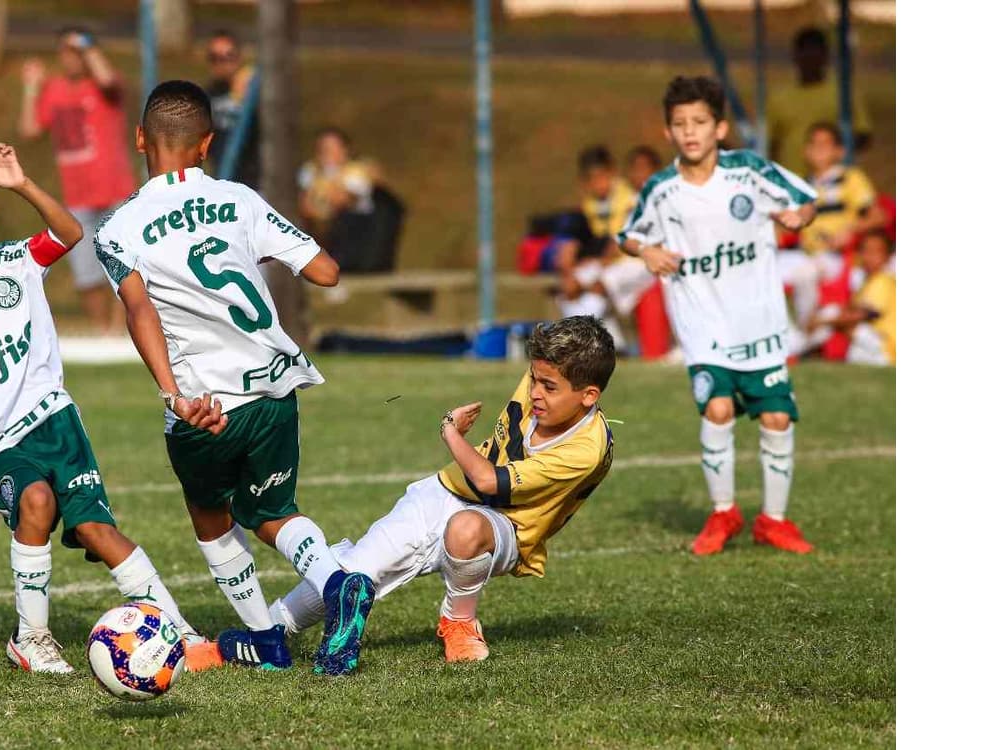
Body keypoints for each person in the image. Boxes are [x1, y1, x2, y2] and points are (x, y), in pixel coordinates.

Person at [92, 81, 376, 676]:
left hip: (205, 404)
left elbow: (139, 311)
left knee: (211, 513)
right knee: (273, 509)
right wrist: (256, 252)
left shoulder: (119, 228)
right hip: (274, 387)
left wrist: (172, 394)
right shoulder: (242, 200)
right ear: (206, 145)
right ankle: (332, 581)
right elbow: (325, 271)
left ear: (141, 138)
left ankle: (266, 639)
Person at [0, 144, 201, 674]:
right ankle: (32, 639)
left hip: (58, 425)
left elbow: (69, 233)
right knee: (35, 501)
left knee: (97, 532)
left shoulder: (17, 262)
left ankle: (177, 631)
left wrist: (23, 185)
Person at [265, 317, 615, 663]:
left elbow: (488, 481)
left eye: (549, 387)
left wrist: (450, 431)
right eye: (534, 379)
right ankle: (268, 630)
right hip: (444, 491)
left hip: (508, 526)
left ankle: (459, 622)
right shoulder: (553, 372)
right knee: (355, 572)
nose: (535, 392)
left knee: (466, 528)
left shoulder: (585, 449)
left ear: (588, 396)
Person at [619, 76, 819, 556]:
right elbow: (628, 233)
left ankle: (773, 521)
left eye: (700, 122)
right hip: (703, 322)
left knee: (776, 418)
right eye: (680, 124)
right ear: (668, 132)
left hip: (760, 320)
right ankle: (724, 512)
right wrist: (646, 251)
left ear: (720, 127)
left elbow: (805, 199)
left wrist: (799, 218)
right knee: (718, 408)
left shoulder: (750, 171)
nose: (690, 132)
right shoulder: (662, 189)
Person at [19, 26, 135, 335]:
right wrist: (31, 87)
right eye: (66, 52)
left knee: (124, 267)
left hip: (115, 191)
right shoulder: (54, 89)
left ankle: (122, 332)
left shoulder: (105, 85)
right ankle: (102, 335)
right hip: (78, 197)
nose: (71, 59)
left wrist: (89, 47)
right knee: (86, 276)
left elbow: (109, 81)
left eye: (77, 52)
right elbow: (29, 129)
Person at [780, 122, 886, 348]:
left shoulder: (850, 178)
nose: (818, 150)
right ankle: (779, 335)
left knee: (805, 274)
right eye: (813, 144)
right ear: (805, 151)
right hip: (804, 253)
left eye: (824, 145)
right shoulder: (801, 184)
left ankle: (805, 332)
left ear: (839, 151)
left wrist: (849, 232)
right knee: (763, 271)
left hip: (835, 256)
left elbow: (878, 216)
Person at [558, 145, 653, 351]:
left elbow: (620, 241)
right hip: (609, 261)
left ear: (612, 173)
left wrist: (598, 262)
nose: (598, 184)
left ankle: (582, 345)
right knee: (569, 286)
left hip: (634, 261)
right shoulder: (588, 205)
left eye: (601, 177)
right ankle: (613, 345)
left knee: (597, 287)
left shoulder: (629, 198)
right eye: (592, 179)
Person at [767, 27, 874, 178]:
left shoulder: (843, 93)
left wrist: (832, 154)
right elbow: (769, 144)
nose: (810, 60)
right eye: (805, 54)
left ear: (825, 57)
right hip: (791, 185)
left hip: (833, 185)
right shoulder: (778, 98)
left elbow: (863, 134)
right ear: (796, 57)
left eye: (815, 54)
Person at [807, 229, 895, 366]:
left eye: (875, 252)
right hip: (873, 343)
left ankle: (800, 349)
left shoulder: (883, 280)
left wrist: (823, 321)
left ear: (889, 257)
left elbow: (863, 314)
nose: (868, 257)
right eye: (864, 251)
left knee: (840, 319)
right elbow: (850, 308)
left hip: (886, 345)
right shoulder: (867, 280)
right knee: (835, 314)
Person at [204, 30, 261, 189]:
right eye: (214, 58)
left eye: (227, 57)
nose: (221, 64)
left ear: (238, 58)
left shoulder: (255, 92)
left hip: (255, 184)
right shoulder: (207, 96)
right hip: (224, 180)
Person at [297, 127, 377, 240]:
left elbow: (342, 201)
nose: (326, 151)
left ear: (345, 150)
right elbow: (305, 205)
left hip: (354, 233)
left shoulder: (356, 172)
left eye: (332, 147)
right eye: (322, 147)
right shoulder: (310, 170)